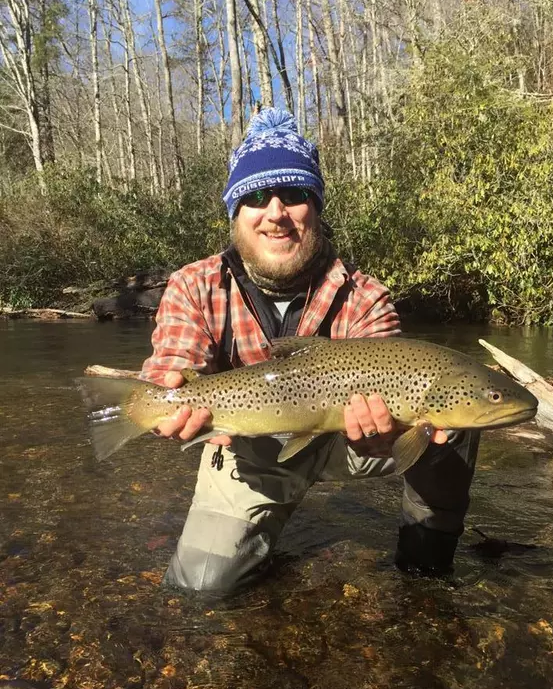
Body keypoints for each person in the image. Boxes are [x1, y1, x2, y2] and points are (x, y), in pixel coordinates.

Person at [139, 107, 479, 593]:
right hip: (250, 446)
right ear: (236, 214)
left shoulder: (365, 297)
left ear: (315, 207)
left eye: (294, 194)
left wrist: (380, 433)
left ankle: (426, 565)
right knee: (202, 587)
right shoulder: (193, 285)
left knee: (456, 418)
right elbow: (174, 363)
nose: (276, 212)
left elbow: (396, 394)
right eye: (256, 196)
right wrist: (165, 398)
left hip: (347, 440)